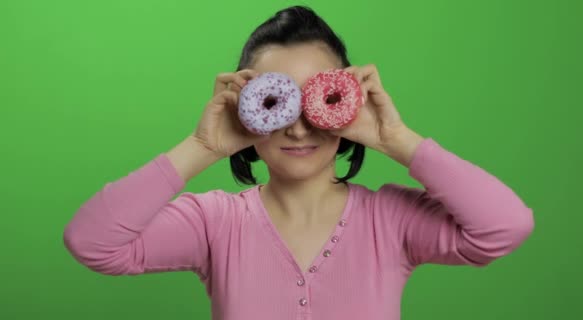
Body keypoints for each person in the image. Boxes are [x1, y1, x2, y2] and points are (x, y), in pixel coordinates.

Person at [63, 5, 535, 320]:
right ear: (245, 107)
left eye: (317, 100)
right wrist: (202, 147)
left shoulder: (390, 220)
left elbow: (505, 227)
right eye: (277, 104)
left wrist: (396, 138)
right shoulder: (215, 222)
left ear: (347, 103)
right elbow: (91, 243)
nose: (298, 127)